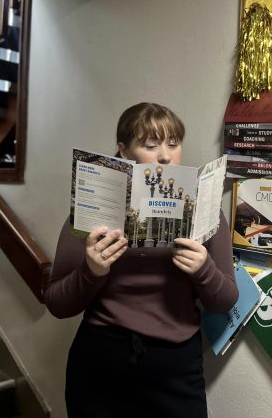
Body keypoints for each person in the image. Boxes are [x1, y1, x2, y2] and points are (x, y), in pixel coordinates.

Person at [44, 102, 239, 418]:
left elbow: (226, 300)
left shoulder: (206, 213)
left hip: (177, 364)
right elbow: (56, 303)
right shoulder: (92, 211)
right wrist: (91, 272)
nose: (165, 156)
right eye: (150, 145)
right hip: (101, 360)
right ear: (123, 151)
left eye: (173, 144)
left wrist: (204, 270)